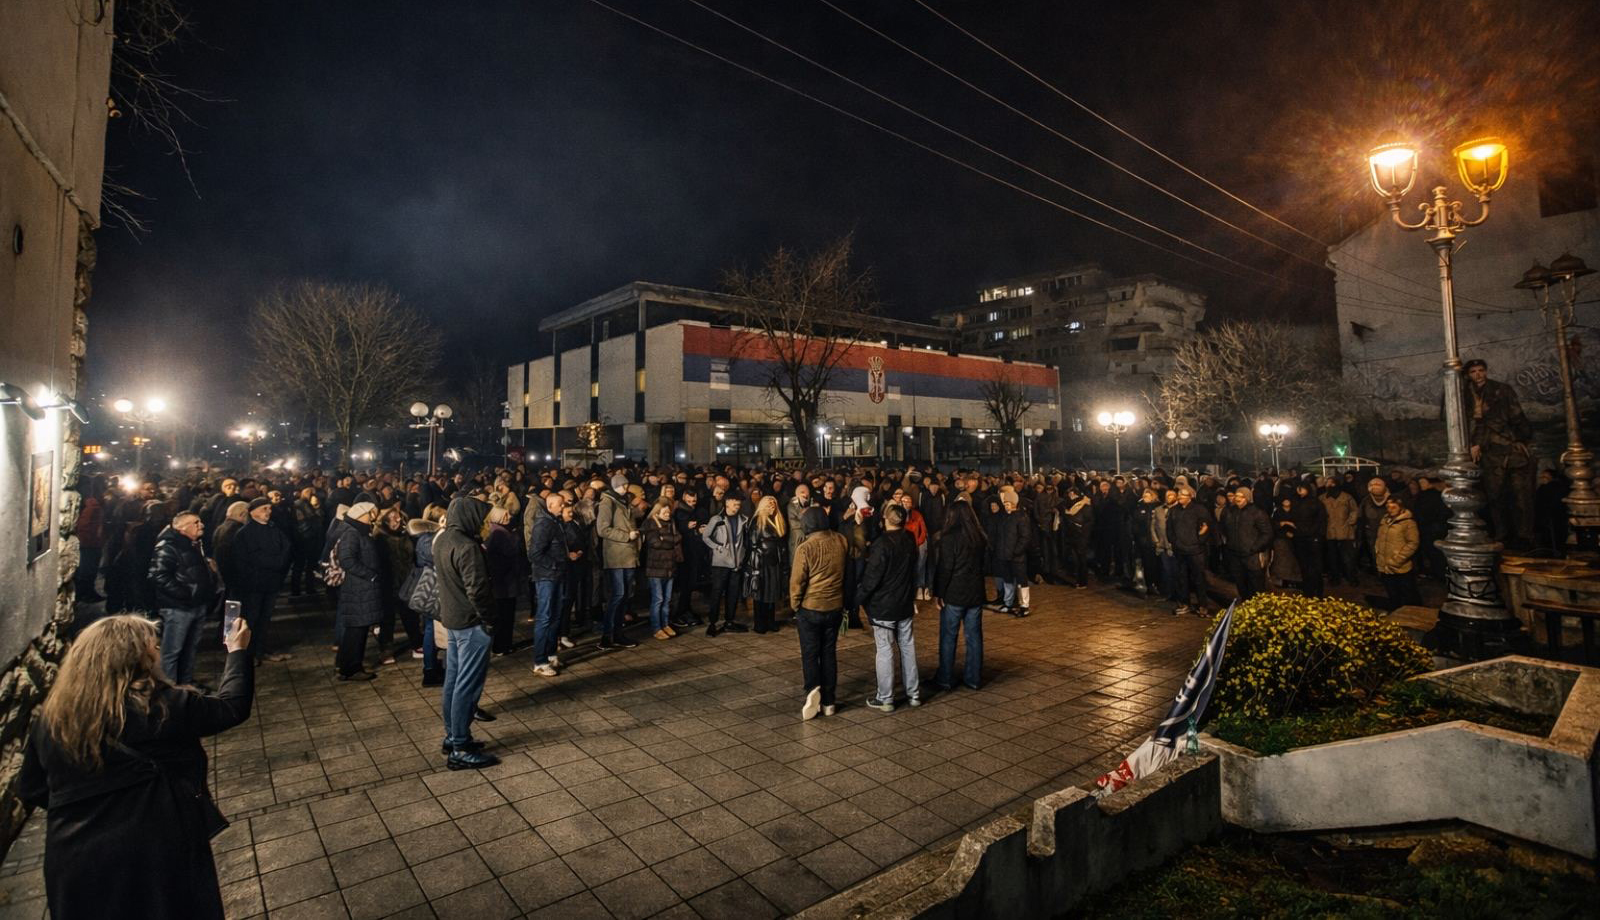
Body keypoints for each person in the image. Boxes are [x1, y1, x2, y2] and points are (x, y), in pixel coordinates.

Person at [19, 614, 254, 920]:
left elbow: (31, 788)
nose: (157, 653)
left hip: (74, 860)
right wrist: (237, 651)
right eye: (153, 647)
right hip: (154, 850)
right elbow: (231, 706)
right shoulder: (160, 707)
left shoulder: (54, 718)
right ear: (137, 657)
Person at [434, 495, 499, 769]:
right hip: (471, 622)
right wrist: (489, 620)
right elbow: (477, 590)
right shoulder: (467, 546)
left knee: (453, 679)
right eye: (484, 519)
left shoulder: (443, 539)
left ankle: (453, 736)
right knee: (467, 685)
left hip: (452, 619)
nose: (486, 525)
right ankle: (460, 747)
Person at [1465, 358, 1537, 547]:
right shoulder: (1465, 394)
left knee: (1521, 495)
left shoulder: (1501, 390)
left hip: (1509, 448)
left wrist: (1522, 439)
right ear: (1468, 375)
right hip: (1489, 454)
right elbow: (1473, 423)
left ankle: (1525, 536)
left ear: (1486, 371)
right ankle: (1502, 534)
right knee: (1494, 496)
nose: (1478, 375)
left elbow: (1516, 415)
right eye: (1473, 372)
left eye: (1481, 370)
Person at [147, 512, 219, 686]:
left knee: (190, 648)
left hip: (196, 604)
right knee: (172, 651)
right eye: (195, 522)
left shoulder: (193, 545)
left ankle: (186, 684)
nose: (201, 525)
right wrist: (186, 593)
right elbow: (158, 575)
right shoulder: (168, 547)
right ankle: (169, 689)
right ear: (182, 528)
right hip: (178, 608)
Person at [859, 504, 920, 712]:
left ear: (885, 519)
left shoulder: (882, 544)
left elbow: (871, 578)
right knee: (907, 646)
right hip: (903, 602)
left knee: (885, 650)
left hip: (884, 605)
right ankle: (914, 693)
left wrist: (858, 598)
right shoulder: (909, 539)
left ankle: (885, 698)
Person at [789, 507, 848, 720]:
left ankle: (813, 689)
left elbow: (797, 582)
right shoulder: (841, 541)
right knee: (829, 652)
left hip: (811, 607)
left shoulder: (805, 547)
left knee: (810, 653)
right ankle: (830, 701)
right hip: (834, 606)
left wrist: (795, 605)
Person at [932, 500, 986, 691]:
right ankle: (973, 678)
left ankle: (945, 677)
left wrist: (939, 592)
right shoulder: (978, 536)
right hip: (975, 592)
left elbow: (946, 568)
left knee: (948, 636)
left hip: (955, 593)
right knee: (974, 637)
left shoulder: (949, 538)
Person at [233, 498, 292, 662]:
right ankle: (249, 653)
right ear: (253, 512)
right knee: (252, 618)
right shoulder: (245, 533)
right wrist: (278, 562)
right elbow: (254, 557)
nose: (268, 512)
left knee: (265, 618)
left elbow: (286, 546)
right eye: (264, 508)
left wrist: (281, 561)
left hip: (271, 582)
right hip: (254, 584)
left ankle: (261, 649)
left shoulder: (274, 528)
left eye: (269, 508)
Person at [333, 503, 384, 680]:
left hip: (361, 588)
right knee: (356, 630)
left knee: (356, 629)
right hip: (359, 588)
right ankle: (352, 668)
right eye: (370, 514)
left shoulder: (357, 531)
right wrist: (370, 575)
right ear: (361, 515)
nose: (372, 518)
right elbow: (347, 559)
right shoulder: (352, 533)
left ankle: (345, 665)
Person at [596, 473, 642, 650]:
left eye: (626, 485)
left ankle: (617, 633)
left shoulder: (624, 501)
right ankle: (608, 636)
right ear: (615, 487)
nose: (626, 488)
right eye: (623, 486)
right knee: (618, 595)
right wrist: (626, 536)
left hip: (628, 554)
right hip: (617, 556)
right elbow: (603, 529)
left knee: (624, 596)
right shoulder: (608, 502)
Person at [528, 493, 571, 675]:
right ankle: (540, 660)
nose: (563, 507)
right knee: (545, 617)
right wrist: (554, 565)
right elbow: (535, 553)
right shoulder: (545, 524)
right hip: (547, 577)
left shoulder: (555, 522)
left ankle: (551, 654)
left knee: (555, 616)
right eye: (560, 505)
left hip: (556, 575)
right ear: (551, 504)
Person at [702, 495, 751, 637]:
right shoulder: (717, 519)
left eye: (738, 504)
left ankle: (729, 620)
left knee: (733, 593)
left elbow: (744, 540)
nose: (737, 507)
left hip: (736, 563)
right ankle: (712, 622)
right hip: (721, 563)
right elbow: (705, 536)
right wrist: (718, 547)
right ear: (727, 503)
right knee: (717, 593)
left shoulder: (743, 520)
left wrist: (742, 556)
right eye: (734, 504)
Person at [407, 505, 445, 686]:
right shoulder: (428, 539)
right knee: (431, 629)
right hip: (431, 590)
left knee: (431, 628)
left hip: (431, 588)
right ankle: (429, 670)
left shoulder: (427, 537)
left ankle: (431, 666)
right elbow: (436, 559)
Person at [1167, 486, 1215, 616]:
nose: (1179, 497)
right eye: (1179, 495)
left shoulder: (1199, 510)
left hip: (1196, 551)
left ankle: (1203, 605)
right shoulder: (1174, 511)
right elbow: (1169, 528)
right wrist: (1174, 542)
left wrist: (1198, 540)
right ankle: (1185, 603)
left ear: (1190, 497)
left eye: (1183, 495)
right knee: (1182, 579)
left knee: (1199, 578)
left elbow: (1206, 526)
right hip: (1180, 550)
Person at [1220, 487, 1271, 601]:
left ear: (1247, 498)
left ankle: (1258, 610)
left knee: (1256, 585)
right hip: (1235, 554)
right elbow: (1223, 528)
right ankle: (1246, 606)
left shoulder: (1257, 513)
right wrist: (1228, 543)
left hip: (1252, 555)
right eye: (1236, 496)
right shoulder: (1230, 512)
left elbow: (1266, 533)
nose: (1237, 499)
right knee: (1240, 583)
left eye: (1241, 496)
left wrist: (1254, 548)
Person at [746, 495, 788, 633]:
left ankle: (770, 621)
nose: (772, 507)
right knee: (761, 593)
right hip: (762, 562)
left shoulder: (776, 521)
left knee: (772, 593)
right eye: (769, 505)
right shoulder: (757, 521)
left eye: (774, 504)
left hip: (774, 562)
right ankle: (760, 623)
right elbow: (752, 543)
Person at [641, 499, 682, 640]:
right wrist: (670, 541)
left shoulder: (671, 523)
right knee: (658, 599)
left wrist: (666, 539)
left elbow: (678, 537)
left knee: (667, 599)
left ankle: (665, 624)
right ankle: (656, 627)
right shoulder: (650, 524)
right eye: (664, 513)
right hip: (656, 568)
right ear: (657, 512)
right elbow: (656, 543)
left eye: (668, 513)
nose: (667, 515)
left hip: (670, 567)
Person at [987, 487, 1031, 616]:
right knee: (1007, 580)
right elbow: (1000, 536)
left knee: (1021, 581)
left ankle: (1024, 606)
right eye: (1005, 504)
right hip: (1004, 555)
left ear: (1014, 504)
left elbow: (1025, 537)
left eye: (1008, 504)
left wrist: (1016, 551)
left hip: (1017, 556)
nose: (1006, 506)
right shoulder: (1004, 517)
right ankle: (1008, 603)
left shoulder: (1022, 517)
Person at [1375, 495, 1422, 608]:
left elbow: (1413, 543)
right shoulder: (1385, 520)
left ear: (1401, 507)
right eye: (1388, 506)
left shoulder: (1408, 523)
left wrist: (1398, 559)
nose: (1390, 509)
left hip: (1400, 566)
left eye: (1393, 507)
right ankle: (1396, 612)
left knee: (1406, 594)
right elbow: (1380, 538)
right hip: (1385, 564)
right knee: (1392, 593)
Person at [671, 488, 709, 629]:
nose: (692, 503)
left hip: (694, 552)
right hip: (685, 554)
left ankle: (685, 609)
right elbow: (676, 531)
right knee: (684, 585)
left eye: (694, 501)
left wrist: (699, 529)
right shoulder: (679, 512)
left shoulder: (698, 510)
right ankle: (680, 612)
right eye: (689, 501)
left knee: (690, 584)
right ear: (684, 498)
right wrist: (687, 528)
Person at [1287, 480, 1327, 597]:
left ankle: (1318, 591)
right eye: (1298, 488)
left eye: (1302, 488)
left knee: (1315, 566)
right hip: (1300, 538)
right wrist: (1293, 532)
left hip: (1313, 538)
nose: (1299, 491)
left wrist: (1318, 536)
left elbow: (1322, 520)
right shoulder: (1296, 502)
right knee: (1304, 566)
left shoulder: (1316, 503)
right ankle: (1307, 591)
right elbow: (1293, 518)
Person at [1320, 477, 1359, 586]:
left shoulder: (1347, 497)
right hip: (1330, 532)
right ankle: (1334, 577)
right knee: (1332, 558)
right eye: (1327, 483)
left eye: (1332, 483)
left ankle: (1351, 577)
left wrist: (1351, 522)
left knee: (1348, 557)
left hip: (1345, 532)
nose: (1329, 485)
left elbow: (1354, 510)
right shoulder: (1322, 498)